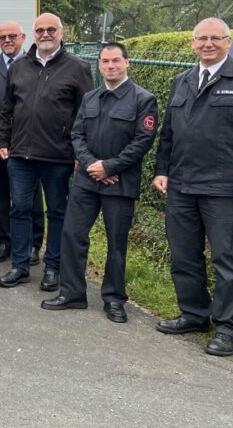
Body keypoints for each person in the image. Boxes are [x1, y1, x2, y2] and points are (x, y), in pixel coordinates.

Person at [153, 18, 233, 356]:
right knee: (183, 255)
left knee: (227, 260)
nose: (208, 44)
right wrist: (161, 170)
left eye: (215, 38)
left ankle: (227, 328)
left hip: (226, 189)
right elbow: (169, 133)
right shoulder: (182, 80)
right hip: (182, 186)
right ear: (192, 43)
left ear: (228, 42)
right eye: (201, 39)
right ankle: (194, 314)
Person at [42, 43, 157, 323]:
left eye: (115, 61)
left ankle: (114, 299)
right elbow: (77, 134)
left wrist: (110, 166)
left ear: (127, 63)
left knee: (116, 243)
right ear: (99, 65)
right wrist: (93, 164)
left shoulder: (143, 99)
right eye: (105, 61)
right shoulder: (91, 97)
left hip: (120, 183)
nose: (110, 66)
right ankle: (72, 293)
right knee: (72, 235)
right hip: (86, 181)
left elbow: (143, 140)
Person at [0, 13, 93, 291]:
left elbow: (85, 114)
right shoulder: (19, 66)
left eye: (51, 29)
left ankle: (53, 267)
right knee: (20, 210)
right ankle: (20, 266)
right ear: (33, 34)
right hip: (21, 156)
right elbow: (7, 109)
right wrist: (4, 142)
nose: (45, 34)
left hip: (58, 157)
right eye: (40, 30)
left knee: (58, 213)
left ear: (61, 33)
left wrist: (78, 153)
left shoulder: (78, 67)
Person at [0, 22, 45, 264]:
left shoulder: (37, 66)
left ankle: (32, 244)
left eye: (12, 36)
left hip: (28, 144)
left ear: (23, 37)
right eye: (2, 37)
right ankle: (4, 241)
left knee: (30, 197)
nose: (7, 40)